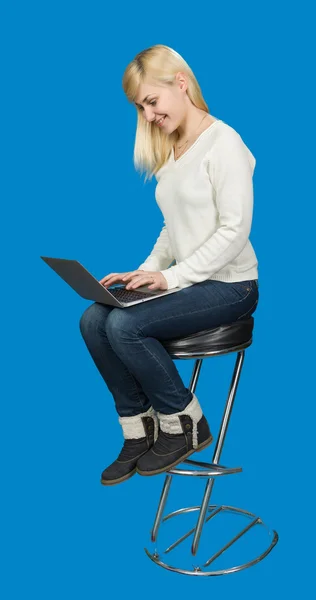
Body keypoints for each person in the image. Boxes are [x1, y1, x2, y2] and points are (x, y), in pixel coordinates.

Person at [79, 44, 259, 486]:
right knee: (93, 319)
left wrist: (169, 277)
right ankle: (139, 430)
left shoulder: (225, 143)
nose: (147, 115)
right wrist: (142, 274)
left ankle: (185, 420)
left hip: (232, 286)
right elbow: (171, 229)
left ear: (180, 83)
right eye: (140, 107)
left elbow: (233, 231)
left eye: (151, 102)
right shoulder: (173, 151)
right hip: (191, 283)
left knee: (125, 327)